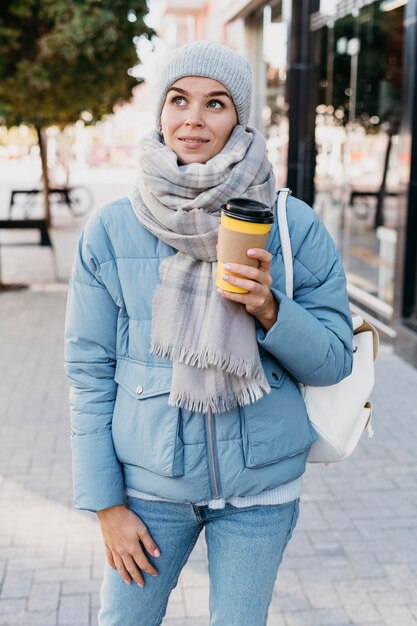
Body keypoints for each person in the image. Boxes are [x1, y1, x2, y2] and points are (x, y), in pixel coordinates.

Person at [64, 41, 353, 626]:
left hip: (261, 493)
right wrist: (105, 504)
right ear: (161, 112)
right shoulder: (113, 229)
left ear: (239, 118)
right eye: (179, 100)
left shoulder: (291, 223)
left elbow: (333, 360)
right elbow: (89, 373)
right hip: (149, 490)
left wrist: (270, 309)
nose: (193, 118)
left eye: (215, 103)